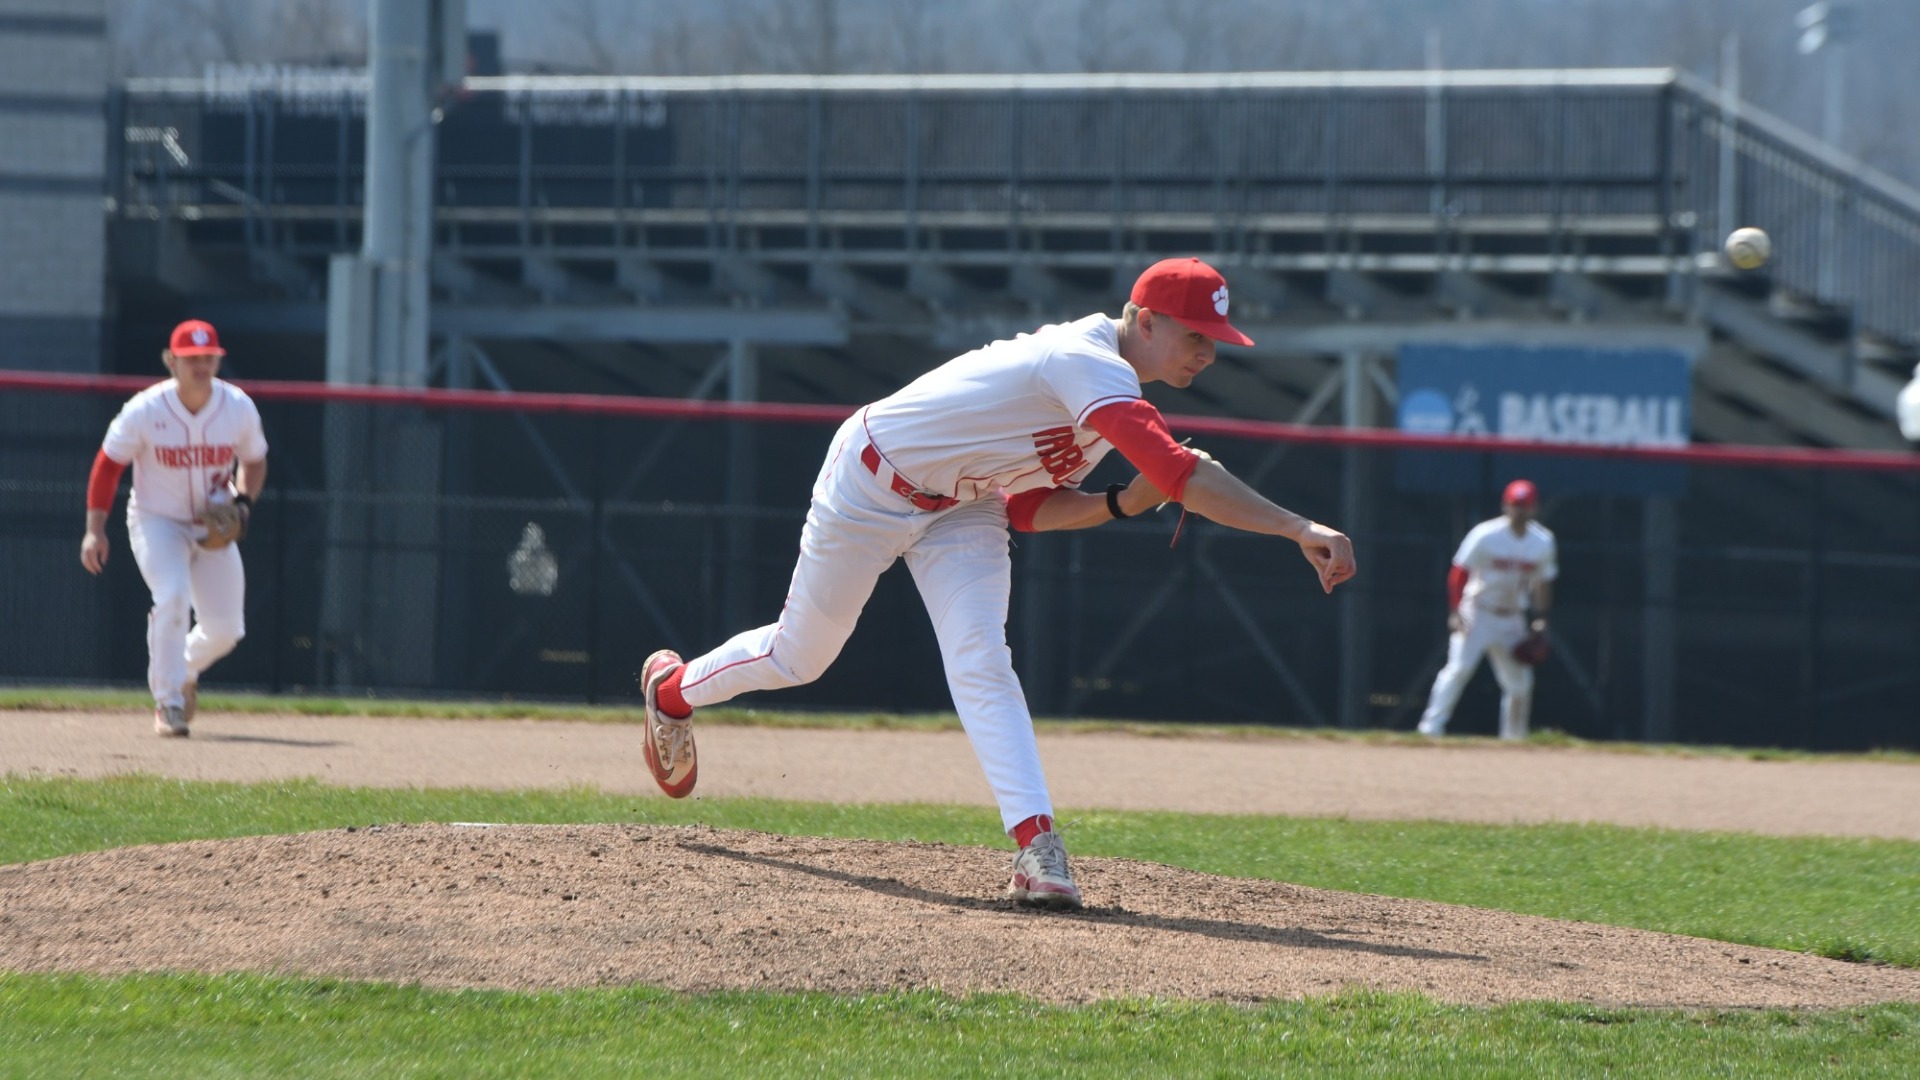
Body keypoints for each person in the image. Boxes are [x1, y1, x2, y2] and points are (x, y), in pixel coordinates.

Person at [636, 257, 1358, 909]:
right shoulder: (1086, 364)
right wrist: (1300, 528)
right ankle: (671, 693)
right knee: (801, 657)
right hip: (871, 481)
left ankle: (1039, 848)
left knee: (981, 658)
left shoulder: (1109, 399)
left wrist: (1115, 503)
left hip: (966, 505)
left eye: (1214, 339)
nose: (1207, 351)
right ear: (1144, 320)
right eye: (1195, 335)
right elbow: (1181, 473)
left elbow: (1028, 507)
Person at [80, 319, 269, 737]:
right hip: (157, 520)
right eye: (191, 359)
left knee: (225, 629)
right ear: (171, 361)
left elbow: (254, 460)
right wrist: (95, 529)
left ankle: (181, 669)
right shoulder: (145, 409)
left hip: (212, 524)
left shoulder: (236, 406)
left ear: (218, 359)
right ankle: (168, 703)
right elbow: (108, 465)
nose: (201, 365)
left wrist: (242, 503)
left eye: (208, 357)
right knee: (172, 598)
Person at [1416, 479, 1557, 741]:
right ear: (1506, 505)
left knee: (1520, 684)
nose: (1521, 511)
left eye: (1525, 505)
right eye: (1516, 505)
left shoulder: (1543, 541)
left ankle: (1514, 739)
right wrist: (1455, 611)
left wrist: (1541, 618)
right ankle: (1430, 730)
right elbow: (1459, 571)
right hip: (1477, 612)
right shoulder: (1486, 534)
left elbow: (1543, 581)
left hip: (1512, 617)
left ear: (1534, 507)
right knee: (1458, 669)